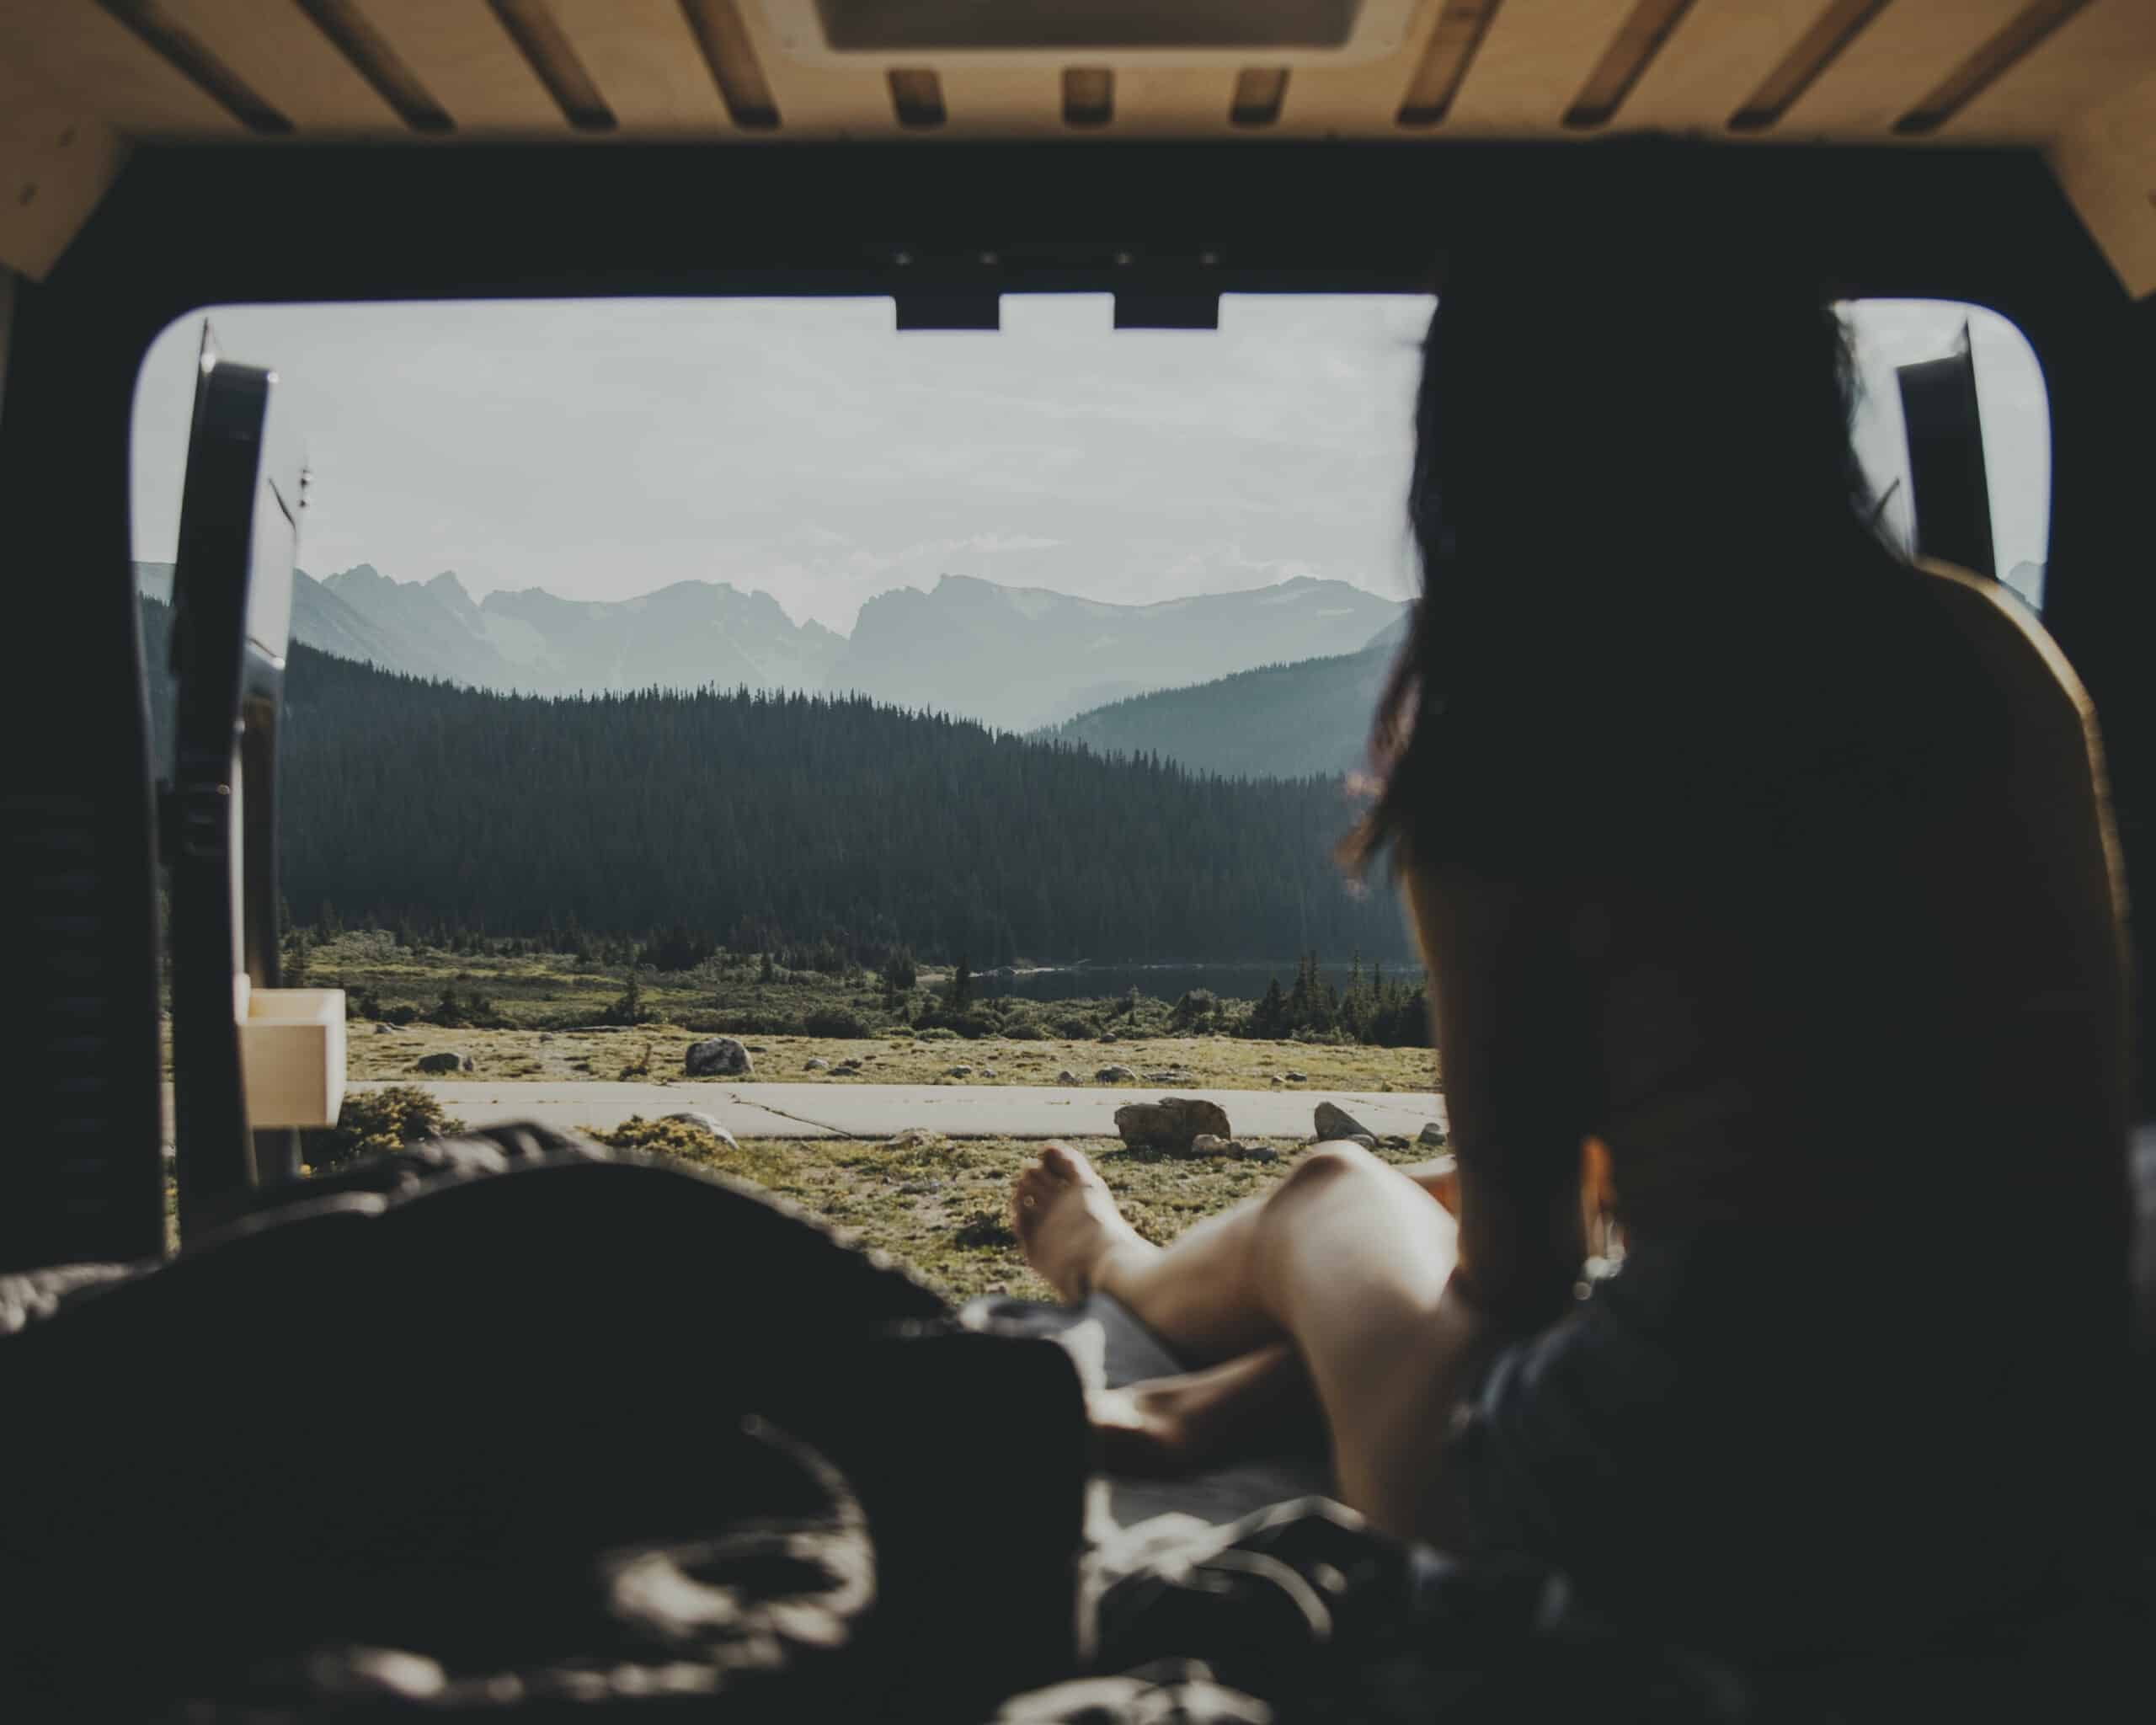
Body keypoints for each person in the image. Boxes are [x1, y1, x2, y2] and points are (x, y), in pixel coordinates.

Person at [1010, 193, 2133, 1657]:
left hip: (1695, 1494)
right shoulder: (1993, 649)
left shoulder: (1528, 732)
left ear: (1485, 442)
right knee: (1459, 1196)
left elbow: (1528, 1276)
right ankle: (1207, 1394)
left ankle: (1105, 1267)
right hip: (2050, 1445)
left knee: (1334, 1193)